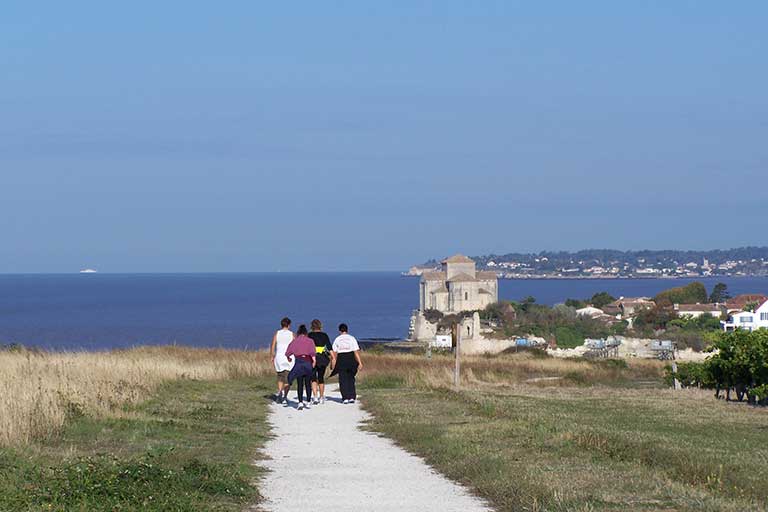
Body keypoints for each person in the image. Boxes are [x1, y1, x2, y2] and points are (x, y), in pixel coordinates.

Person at [283, 324, 316, 410]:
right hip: (308, 362)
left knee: (300, 384)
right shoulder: (310, 341)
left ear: (298, 333)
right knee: (308, 383)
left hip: (298, 363)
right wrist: (314, 362)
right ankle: (308, 402)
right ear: (306, 332)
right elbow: (312, 354)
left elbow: (287, 353)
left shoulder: (294, 341)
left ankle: (300, 402)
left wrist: (289, 358)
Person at [330, 323, 363, 404]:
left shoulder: (337, 339)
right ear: (347, 330)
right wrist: (360, 362)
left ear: (339, 330)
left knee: (342, 379)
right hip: (351, 358)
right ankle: (352, 396)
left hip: (341, 359)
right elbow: (356, 352)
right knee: (351, 378)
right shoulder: (352, 338)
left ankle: (345, 397)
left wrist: (332, 363)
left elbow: (334, 353)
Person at [270, 317, 294, 404]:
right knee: (288, 377)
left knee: (280, 376)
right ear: (289, 325)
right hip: (289, 357)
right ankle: (285, 396)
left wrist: (272, 355)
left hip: (279, 356)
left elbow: (273, 345)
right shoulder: (291, 334)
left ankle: (280, 393)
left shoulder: (277, 333)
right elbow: (294, 346)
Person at [308, 319, 333, 405]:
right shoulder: (324, 335)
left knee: (313, 378)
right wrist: (333, 357)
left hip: (312, 358)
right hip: (322, 358)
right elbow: (329, 347)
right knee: (321, 378)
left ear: (312, 326)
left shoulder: (309, 335)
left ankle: (315, 397)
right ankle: (321, 397)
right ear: (320, 326)